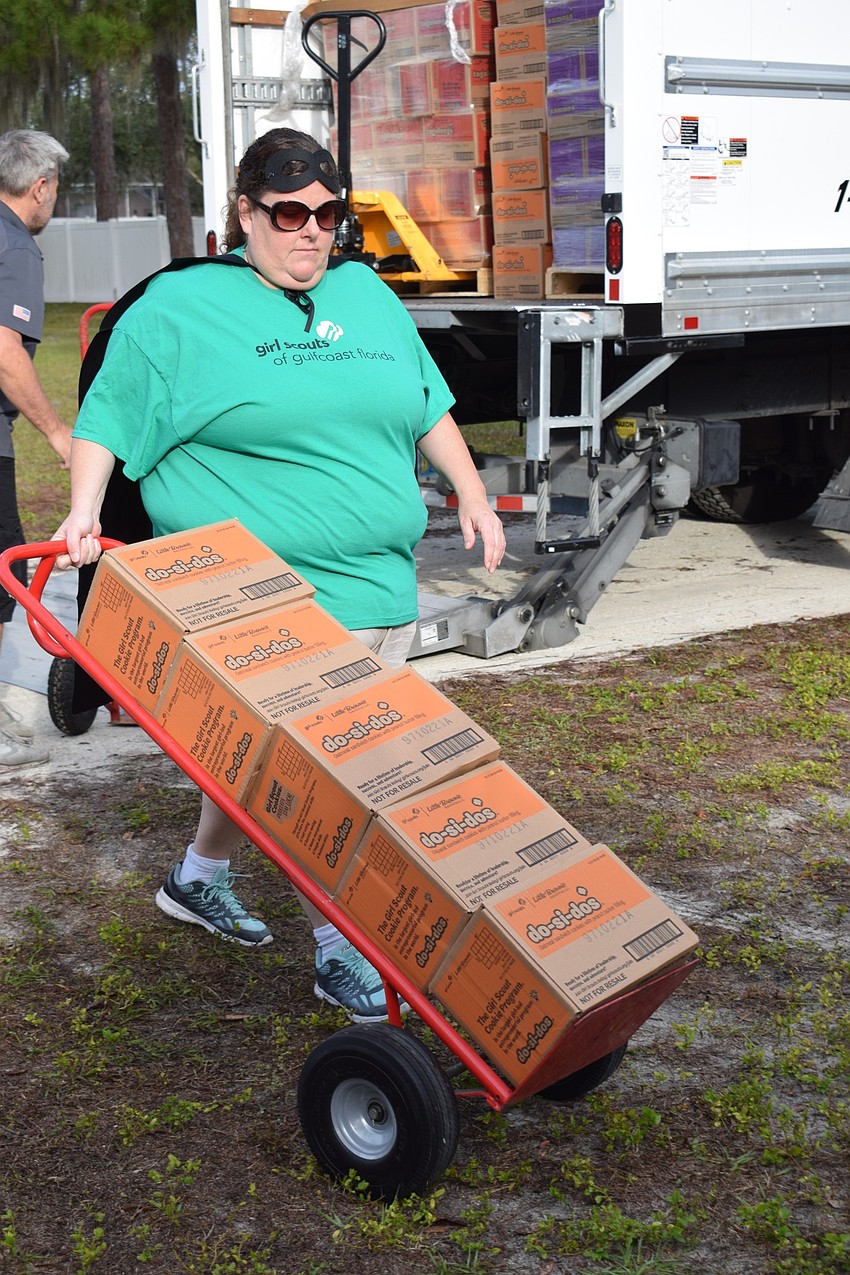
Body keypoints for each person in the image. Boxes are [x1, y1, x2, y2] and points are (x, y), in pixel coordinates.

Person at [54, 127, 505, 1022]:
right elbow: (109, 416)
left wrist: (474, 492)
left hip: (381, 593)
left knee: (275, 770)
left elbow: (427, 404)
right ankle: (341, 950)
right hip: (265, 606)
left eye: (327, 214)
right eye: (289, 212)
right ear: (244, 214)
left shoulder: (366, 294)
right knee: (317, 787)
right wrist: (82, 512)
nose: (310, 231)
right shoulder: (182, 310)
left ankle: (197, 878)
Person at [0, 129, 72, 769]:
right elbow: (5, 354)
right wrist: (56, 430)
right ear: (39, 185)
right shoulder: (15, 245)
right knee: (2, 570)